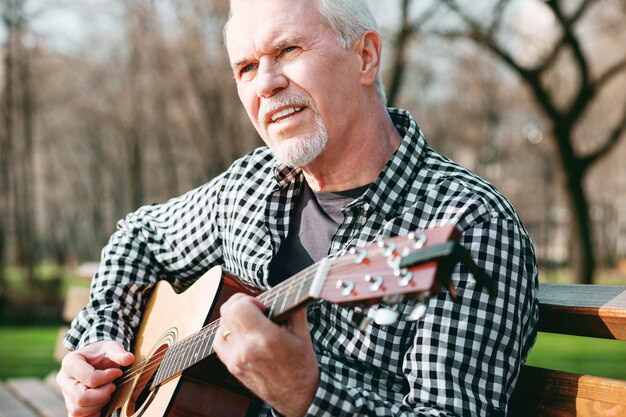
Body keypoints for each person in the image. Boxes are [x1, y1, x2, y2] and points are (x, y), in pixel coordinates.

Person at [57, 0, 539, 416]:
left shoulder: (465, 224)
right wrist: (102, 345)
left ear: (366, 57)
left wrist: (306, 395)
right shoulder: (249, 186)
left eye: (287, 50)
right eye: (246, 68)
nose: (265, 84)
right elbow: (138, 236)